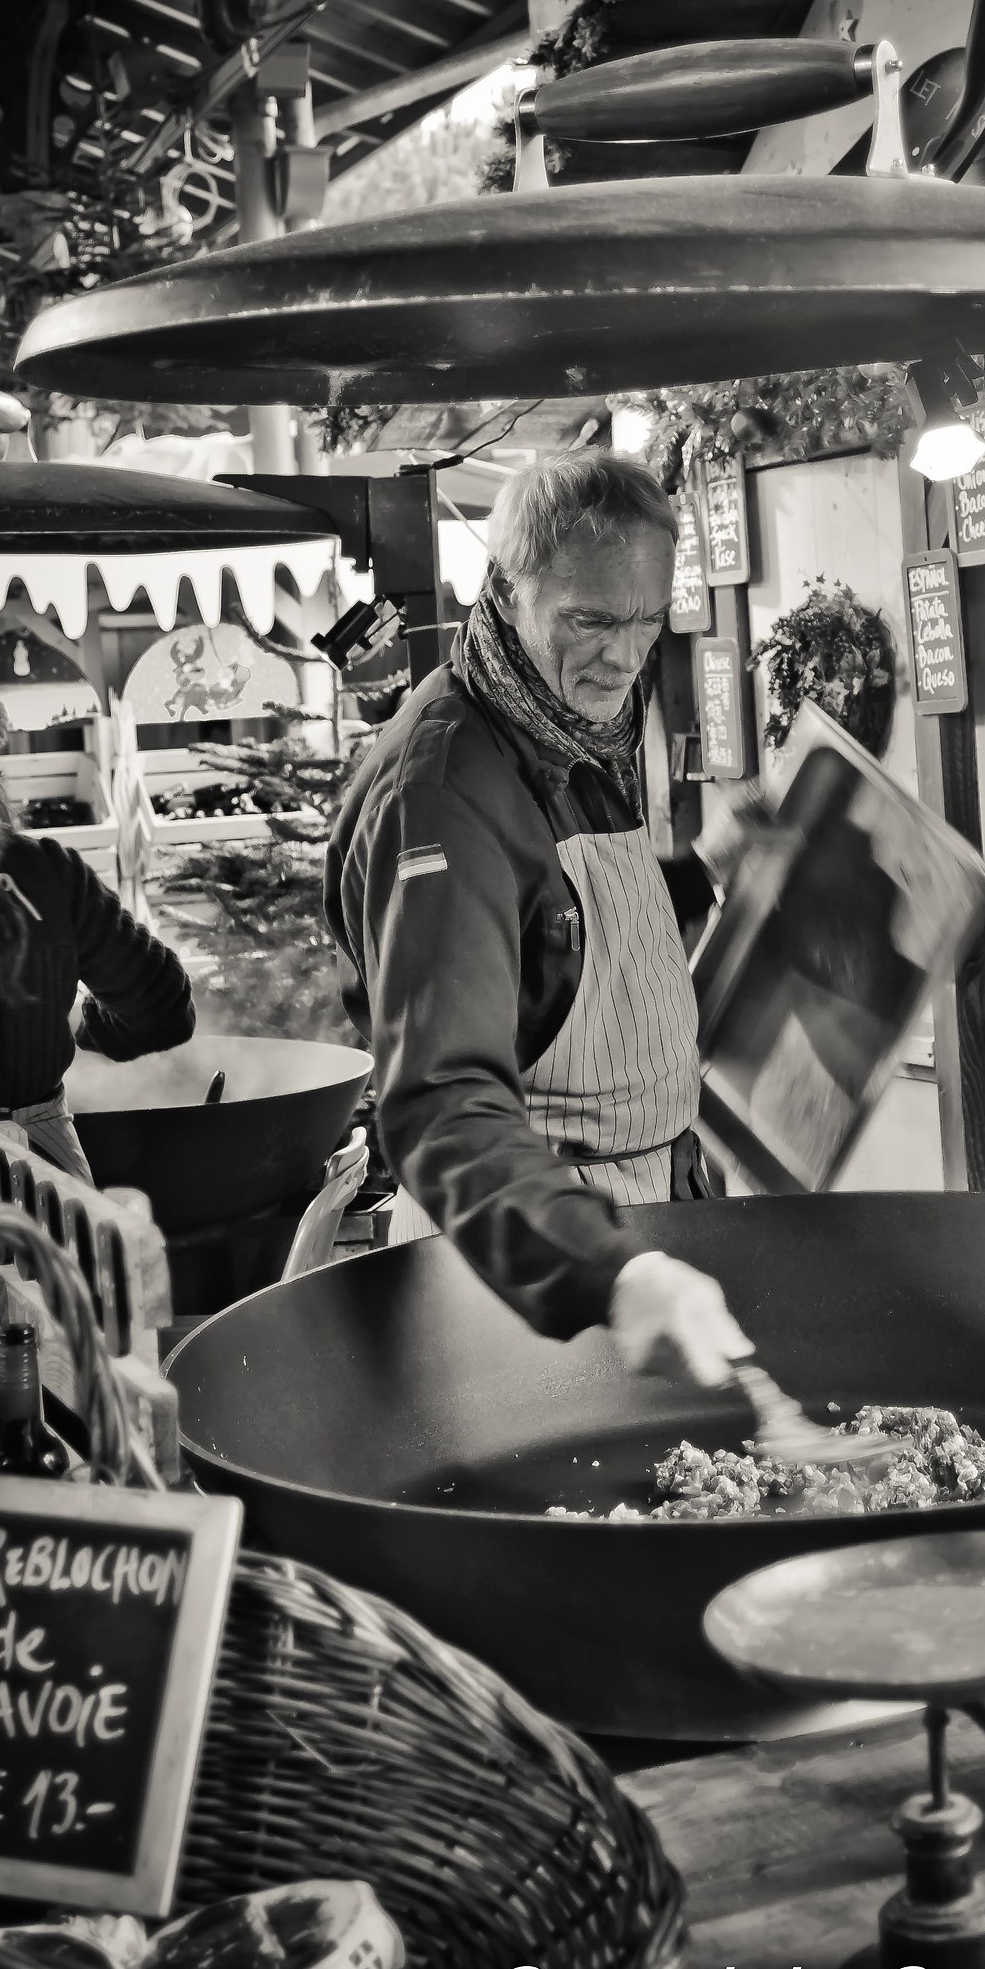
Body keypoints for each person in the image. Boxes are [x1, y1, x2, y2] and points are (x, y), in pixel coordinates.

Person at [326, 455, 755, 1390]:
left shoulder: (574, 720)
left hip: (651, 1217)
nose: (624, 656)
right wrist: (605, 1269)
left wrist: (706, 877)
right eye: (591, 620)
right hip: (529, 1259)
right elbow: (441, 1100)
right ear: (505, 589)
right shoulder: (441, 792)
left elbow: (559, 934)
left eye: (647, 623)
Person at [0, 661, 196, 1257]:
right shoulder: (47, 869)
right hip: (42, 1178)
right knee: (63, 1344)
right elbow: (161, 1010)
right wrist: (84, 1031)